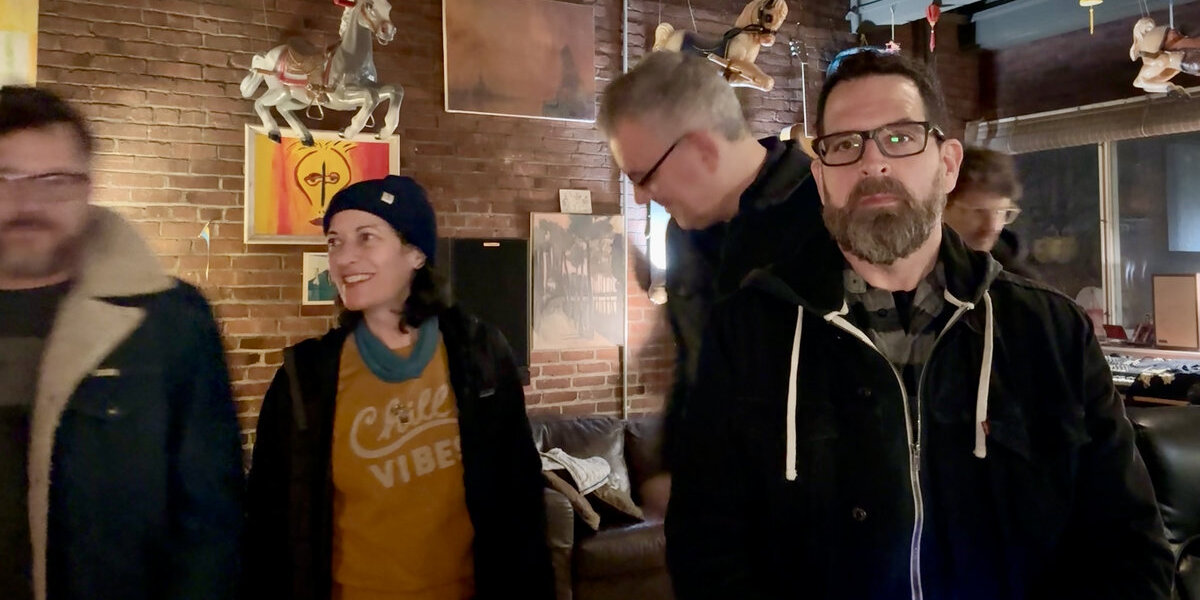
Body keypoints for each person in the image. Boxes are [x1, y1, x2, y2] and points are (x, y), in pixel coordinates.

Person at [665, 49, 1173, 599]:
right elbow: (705, 548)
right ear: (821, 178)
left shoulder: (1051, 332)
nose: (873, 163)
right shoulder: (747, 334)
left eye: (900, 137)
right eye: (845, 145)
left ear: (948, 164)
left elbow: (1129, 546)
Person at [243, 175, 554, 600]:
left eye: (366, 237)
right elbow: (268, 523)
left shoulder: (479, 355)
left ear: (416, 253)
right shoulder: (304, 378)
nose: (344, 258)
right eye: (334, 242)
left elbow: (521, 503)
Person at [0, 86, 243, 600]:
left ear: (87, 189)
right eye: (5, 178)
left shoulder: (170, 321)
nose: (28, 204)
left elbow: (210, 528)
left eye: (54, 181)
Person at [597, 51, 821, 513]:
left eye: (643, 177)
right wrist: (671, 466)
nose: (639, 197)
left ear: (703, 149)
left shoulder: (824, 214)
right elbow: (694, 365)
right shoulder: (682, 235)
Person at [944, 146, 1039, 279]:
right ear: (941, 207)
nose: (992, 227)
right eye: (978, 212)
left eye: (1000, 212)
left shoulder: (1019, 283)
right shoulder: (919, 273)